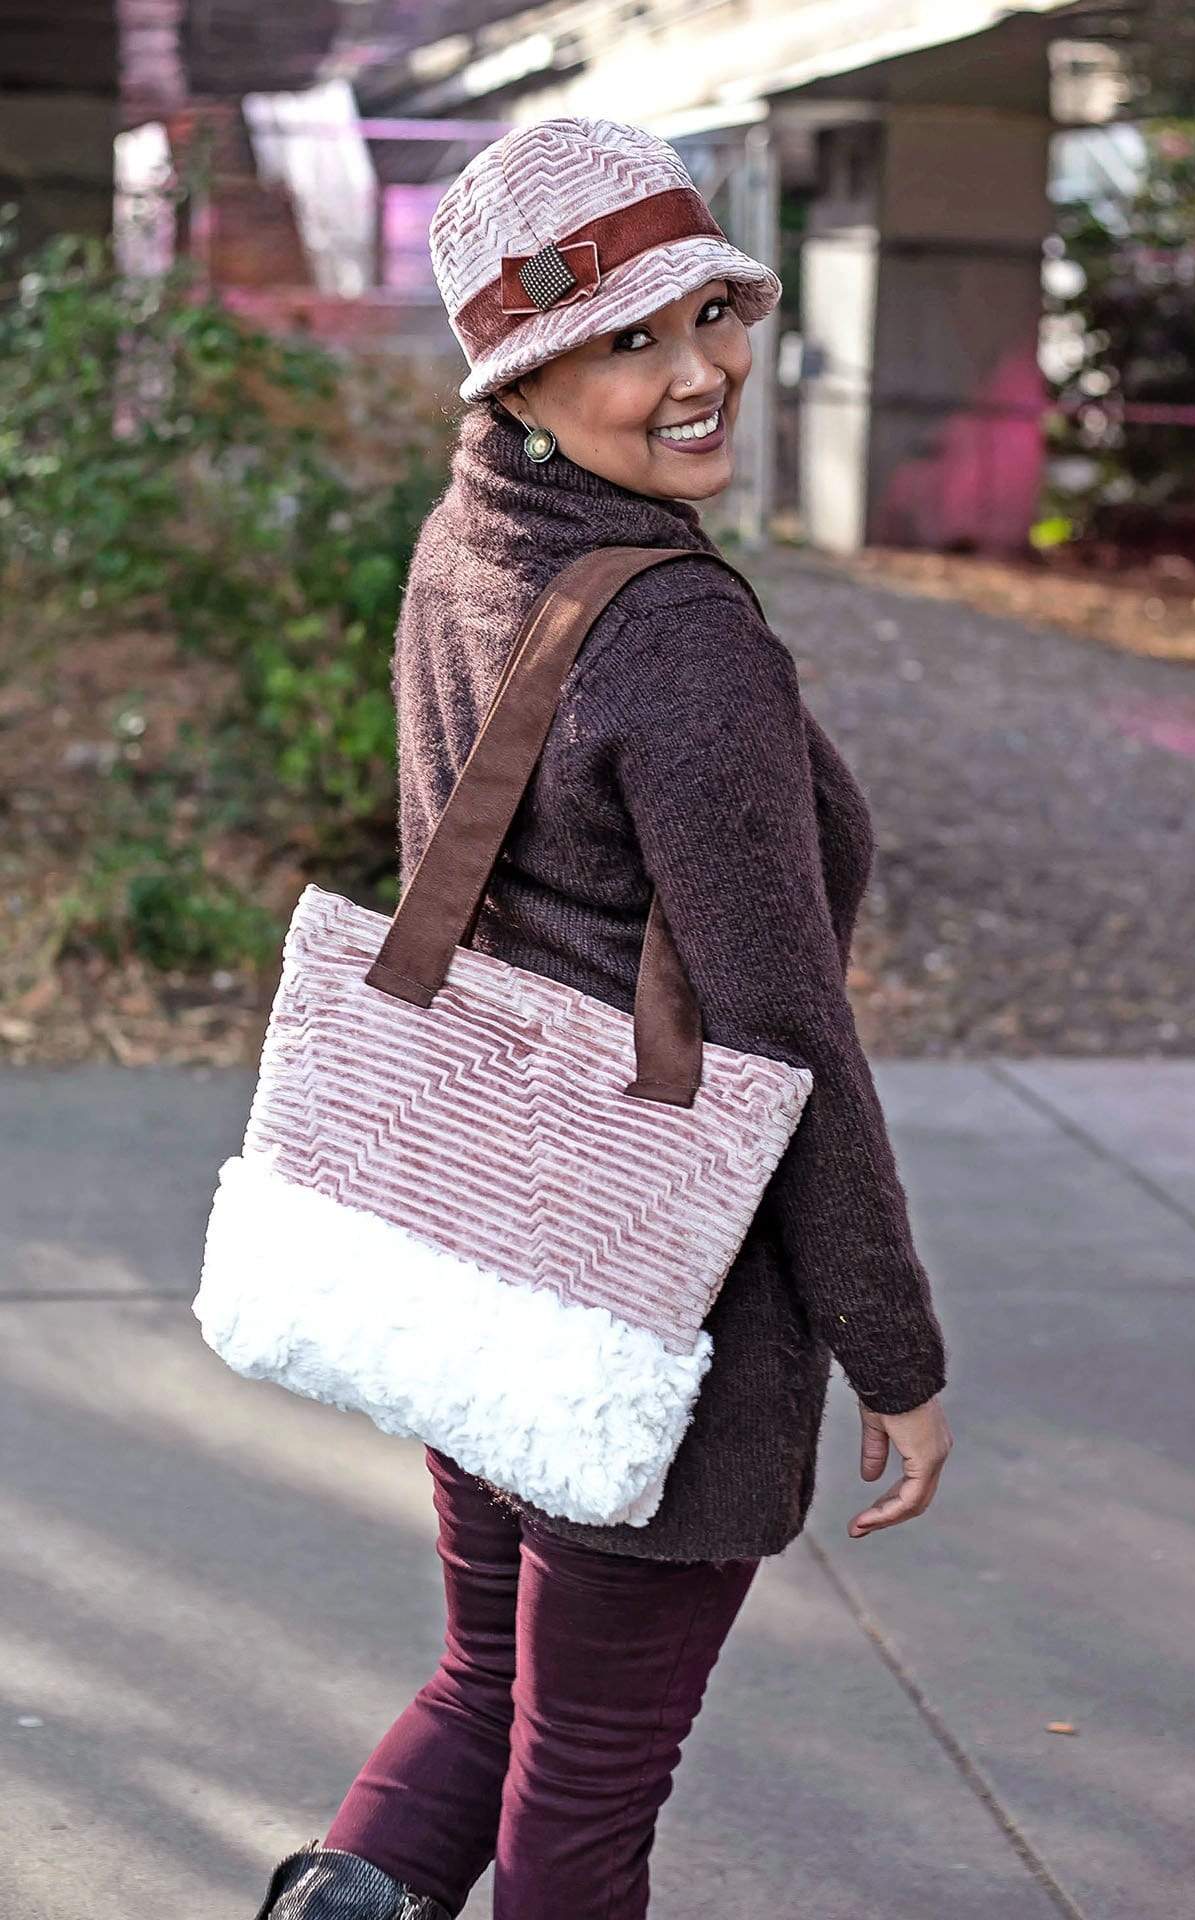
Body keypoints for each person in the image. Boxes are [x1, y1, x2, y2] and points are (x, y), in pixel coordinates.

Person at [251, 114, 953, 1920]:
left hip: (478, 1254)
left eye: (708, 312)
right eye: (628, 341)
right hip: (654, 1304)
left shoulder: (470, 539)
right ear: (528, 373)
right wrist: (898, 1350)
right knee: (581, 1807)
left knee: (492, 1691)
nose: (700, 370)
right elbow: (782, 1031)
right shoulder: (681, 640)